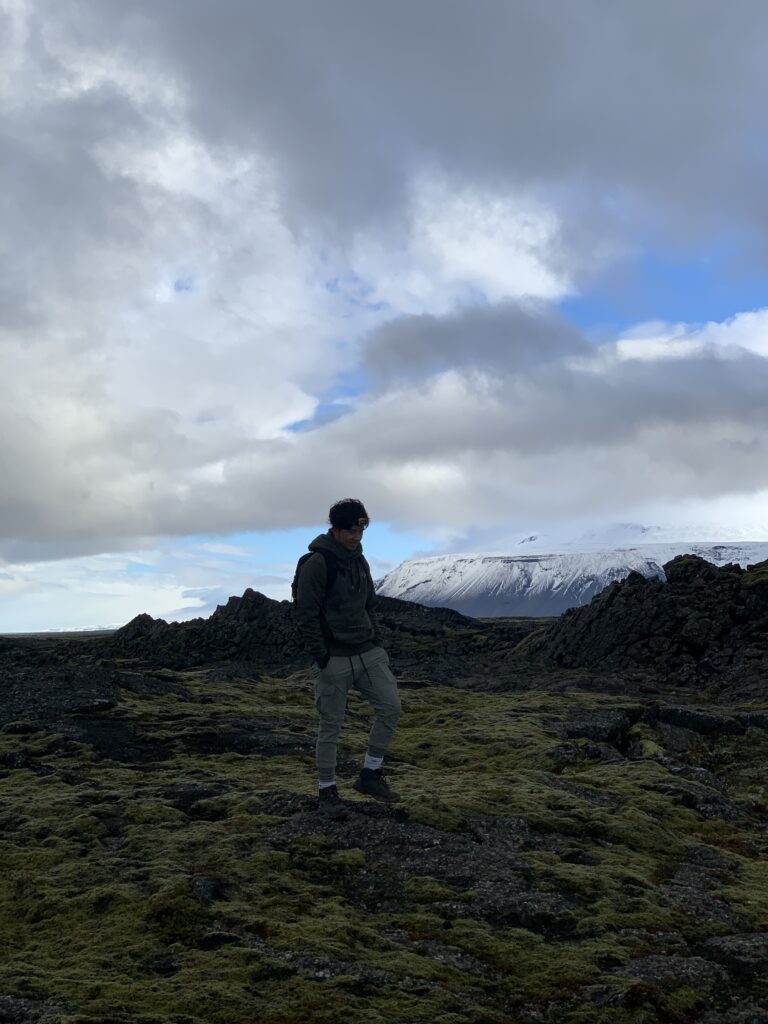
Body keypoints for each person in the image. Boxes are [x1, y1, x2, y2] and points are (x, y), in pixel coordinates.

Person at [294, 498, 401, 819]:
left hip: (367, 652)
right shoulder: (317, 563)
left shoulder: (359, 560)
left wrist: (376, 640)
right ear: (335, 529)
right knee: (331, 726)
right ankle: (327, 791)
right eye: (350, 530)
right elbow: (305, 614)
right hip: (335, 659)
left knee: (391, 707)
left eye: (360, 530)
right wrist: (323, 656)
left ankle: (369, 775)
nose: (356, 537)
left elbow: (369, 603)